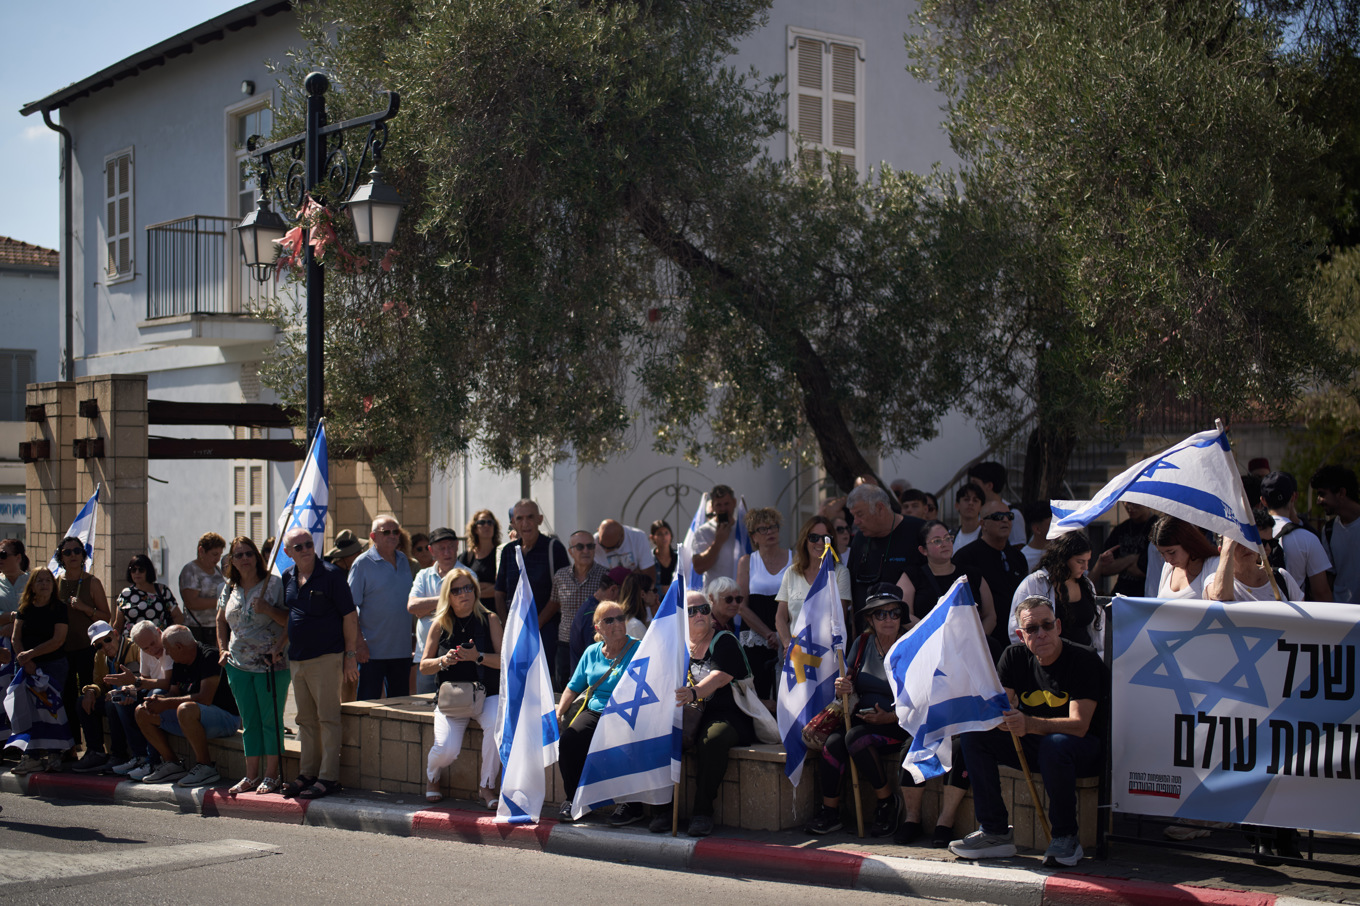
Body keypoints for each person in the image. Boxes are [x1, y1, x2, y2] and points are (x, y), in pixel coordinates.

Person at [949, 596, 1107, 868]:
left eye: (1047, 625)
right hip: (1038, 743)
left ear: (1058, 626)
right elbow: (999, 708)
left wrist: (1029, 724)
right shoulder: (1013, 657)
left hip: (1082, 748)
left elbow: (1080, 725)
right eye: (1032, 629)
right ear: (1021, 635)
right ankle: (995, 832)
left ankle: (1066, 836)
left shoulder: (1084, 659)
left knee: (1055, 744)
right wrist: (998, 720)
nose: (1041, 633)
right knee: (975, 735)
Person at [803, 584, 910, 839]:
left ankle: (887, 802)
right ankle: (831, 812)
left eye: (894, 613)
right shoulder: (862, 642)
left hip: (899, 723)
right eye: (881, 614)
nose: (889, 619)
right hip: (861, 721)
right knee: (834, 742)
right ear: (870, 619)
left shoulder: (909, 645)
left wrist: (890, 717)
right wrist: (843, 686)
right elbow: (848, 678)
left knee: (855, 738)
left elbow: (923, 697)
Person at [280, 525, 359, 800]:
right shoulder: (288, 576)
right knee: (305, 720)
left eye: (309, 544)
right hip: (297, 659)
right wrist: (279, 646)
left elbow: (350, 617)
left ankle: (329, 777)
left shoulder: (332, 576)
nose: (305, 550)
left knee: (327, 718)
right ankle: (308, 773)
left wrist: (350, 656)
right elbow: (291, 615)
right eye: (298, 547)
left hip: (327, 657)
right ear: (288, 552)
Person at [673, 589, 756, 837]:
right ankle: (663, 811)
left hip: (728, 713)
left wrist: (695, 692)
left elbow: (720, 677)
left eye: (704, 609)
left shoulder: (725, 640)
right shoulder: (677, 646)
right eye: (691, 611)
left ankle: (702, 812)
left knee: (712, 740)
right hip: (689, 714)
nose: (699, 614)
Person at [420, 568, 502, 807]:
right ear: (448, 595)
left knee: (497, 727)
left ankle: (487, 786)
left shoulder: (490, 619)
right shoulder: (439, 624)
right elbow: (424, 666)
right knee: (447, 750)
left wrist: (478, 657)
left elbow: (505, 661)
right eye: (457, 590)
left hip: (487, 694)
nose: (464, 594)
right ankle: (432, 776)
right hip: (452, 698)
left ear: (475, 592)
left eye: (468, 588)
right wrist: (443, 661)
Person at [216, 536, 289, 795]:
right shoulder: (229, 587)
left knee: (270, 720)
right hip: (238, 665)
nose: (244, 559)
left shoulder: (274, 585)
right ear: (232, 561)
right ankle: (250, 776)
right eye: (238, 555)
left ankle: (272, 776)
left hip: (270, 664)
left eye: (249, 553)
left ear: (257, 556)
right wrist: (223, 648)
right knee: (249, 721)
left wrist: (268, 609)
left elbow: (289, 620)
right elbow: (220, 620)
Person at [556, 600, 640, 823]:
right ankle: (575, 799)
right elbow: (573, 688)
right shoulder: (592, 652)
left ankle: (631, 805)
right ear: (598, 628)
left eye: (621, 618)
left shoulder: (639, 649)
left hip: (626, 711)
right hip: (596, 711)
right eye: (609, 620)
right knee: (569, 741)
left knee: (623, 743)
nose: (617, 623)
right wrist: (558, 712)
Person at [134, 625, 241, 786]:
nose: (167, 653)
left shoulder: (210, 656)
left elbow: (205, 698)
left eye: (168, 650)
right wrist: (158, 700)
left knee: (186, 709)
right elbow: (173, 693)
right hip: (193, 717)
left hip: (226, 719)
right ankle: (173, 764)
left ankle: (206, 766)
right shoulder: (179, 661)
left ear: (179, 647)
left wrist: (167, 702)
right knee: (142, 711)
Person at [7, 568, 72, 774]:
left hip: (52, 664)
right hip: (25, 666)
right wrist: (24, 659)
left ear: (53, 586)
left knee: (50, 710)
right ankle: (31, 756)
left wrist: (32, 655)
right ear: (32, 586)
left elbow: (58, 640)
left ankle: (54, 754)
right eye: (39, 581)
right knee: (28, 711)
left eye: (48, 580)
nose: (44, 584)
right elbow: (16, 638)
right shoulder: (25, 607)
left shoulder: (59, 608)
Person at [495, 499, 570, 668]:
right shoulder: (508, 551)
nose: (525, 523)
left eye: (530, 517)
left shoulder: (554, 548)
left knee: (545, 681)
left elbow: (560, 593)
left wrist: (535, 625)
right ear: (513, 522)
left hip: (546, 630)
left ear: (540, 519)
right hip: (514, 631)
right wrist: (506, 624)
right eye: (519, 518)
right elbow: (499, 592)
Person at [349, 515, 415, 700]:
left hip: (401, 650)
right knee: (368, 706)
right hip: (371, 653)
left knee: (400, 706)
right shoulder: (361, 564)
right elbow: (349, 608)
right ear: (373, 536)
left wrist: (412, 636)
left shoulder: (403, 560)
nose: (393, 536)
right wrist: (359, 643)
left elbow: (405, 603)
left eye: (396, 531)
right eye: (386, 532)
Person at [55, 535, 110, 753]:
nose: (73, 556)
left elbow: (107, 615)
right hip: (61, 648)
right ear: (61, 557)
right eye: (67, 552)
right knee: (65, 696)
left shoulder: (92, 582)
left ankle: (95, 747)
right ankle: (71, 745)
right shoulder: (55, 582)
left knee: (89, 695)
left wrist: (86, 608)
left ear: (83, 555)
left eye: (77, 551)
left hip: (87, 650)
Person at [952, 501, 1028, 651]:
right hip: (983, 642)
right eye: (998, 517)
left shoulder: (1018, 557)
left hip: (1018, 639)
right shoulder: (965, 557)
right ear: (983, 524)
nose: (1005, 520)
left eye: (1009, 516)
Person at [105, 620, 174, 778]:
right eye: (146, 648)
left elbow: (168, 682)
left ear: (158, 632)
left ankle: (153, 760)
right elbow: (145, 678)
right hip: (154, 691)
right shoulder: (145, 649)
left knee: (153, 696)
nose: (152, 649)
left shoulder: (169, 644)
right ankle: (139, 756)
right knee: (119, 699)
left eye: (153, 643)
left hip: (170, 692)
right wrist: (130, 689)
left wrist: (136, 682)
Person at [1008, 531, 1100, 649]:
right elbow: (1016, 629)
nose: (1086, 567)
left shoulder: (1087, 584)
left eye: (1088, 561)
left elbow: (1097, 630)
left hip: (1085, 659)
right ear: (1063, 559)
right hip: (1049, 660)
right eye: (1080, 561)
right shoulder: (1034, 583)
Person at [904, 520, 997, 636]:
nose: (944, 544)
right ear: (923, 550)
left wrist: (977, 639)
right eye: (937, 541)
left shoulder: (972, 574)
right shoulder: (912, 575)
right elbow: (905, 614)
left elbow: (990, 615)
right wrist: (932, 634)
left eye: (947, 538)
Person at [776, 516, 852, 656]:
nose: (820, 542)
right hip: (795, 656)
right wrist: (788, 644)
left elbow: (840, 618)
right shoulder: (791, 573)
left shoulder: (840, 573)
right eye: (814, 537)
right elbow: (780, 617)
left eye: (825, 538)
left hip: (826, 656)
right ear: (805, 540)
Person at [846, 484, 926, 619]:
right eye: (853, 516)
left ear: (880, 508)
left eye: (860, 514)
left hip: (909, 630)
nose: (856, 522)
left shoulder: (919, 531)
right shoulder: (859, 539)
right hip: (867, 634)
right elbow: (853, 588)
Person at [70, 620, 139, 773]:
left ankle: (119, 755)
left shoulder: (134, 647)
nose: (105, 646)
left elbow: (140, 680)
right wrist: (91, 691)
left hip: (134, 694)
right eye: (99, 645)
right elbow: (99, 683)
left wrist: (119, 690)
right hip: (113, 697)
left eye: (107, 640)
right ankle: (96, 752)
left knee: (112, 702)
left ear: (115, 634)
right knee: (82, 701)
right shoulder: (99, 657)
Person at [735, 507, 789, 700]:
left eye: (773, 527)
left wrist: (781, 635)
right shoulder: (747, 562)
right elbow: (741, 606)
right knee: (760, 695)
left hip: (788, 638)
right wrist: (768, 634)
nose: (770, 532)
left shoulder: (795, 558)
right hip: (756, 640)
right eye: (763, 529)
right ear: (753, 536)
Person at [1261, 470, 1332, 601]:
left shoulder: (1252, 536)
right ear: (1293, 497)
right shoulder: (1308, 539)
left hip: (1260, 613)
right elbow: (1321, 593)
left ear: (1263, 501)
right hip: (1296, 616)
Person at [409, 527, 462, 695]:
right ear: (431, 550)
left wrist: (426, 610)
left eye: (451, 547)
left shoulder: (467, 575)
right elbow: (412, 607)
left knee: (455, 710)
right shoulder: (423, 575)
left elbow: (462, 610)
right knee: (424, 710)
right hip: (426, 659)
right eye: (441, 548)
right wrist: (447, 600)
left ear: (457, 547)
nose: (447, 552)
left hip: (457, 660)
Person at [551, 530, 608, 688]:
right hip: (566, 643)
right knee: (564, 688)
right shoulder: (560, 576)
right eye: (580, 547)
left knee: (592, 688)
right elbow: (553, 605)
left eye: (590, 546)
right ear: (571, 551)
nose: (586, 551)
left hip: (595, 643)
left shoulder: (605, 576)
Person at [1207, 532, 1304, 602]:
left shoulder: (1281, 577)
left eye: (1249, 539)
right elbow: (1221, 595)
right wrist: (1228, 544)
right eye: (1237, 542)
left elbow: (1305, 620)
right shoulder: (1213, 581)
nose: (1246, 546)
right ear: (1222, 550)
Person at [1312, 464, 1360, 603]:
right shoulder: (1329, 530)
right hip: (1341, 616)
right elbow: (1329, 578)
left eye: (1322, 494)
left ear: (1341, 493)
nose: (1318, 501)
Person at [1150, 515, 1221, 600]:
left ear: (1187, 543)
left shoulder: (1213, 565)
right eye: (1162, 553)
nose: (1167, 559)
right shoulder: (1168, 567)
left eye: (1172, 552)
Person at [1094, 501, 1156, 598]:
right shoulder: (1121, 529)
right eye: (1126, 503)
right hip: (1121, 593)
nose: (1130, 508)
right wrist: (1131, 559)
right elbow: (1104, 568)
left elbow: (1142, 570)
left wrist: (1120, 564)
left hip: (1146, 595)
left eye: (1136, 504)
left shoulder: (1156, 528)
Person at [568, 567, 626, 669]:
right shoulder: (594, 615)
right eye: (625, 594)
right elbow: (595, 661)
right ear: (613, 590)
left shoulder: (591, 606)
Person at [111, 554, 184, 634]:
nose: (137, 573)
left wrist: (166, 636)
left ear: (148, 571)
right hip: (131, 643)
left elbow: (178, 617)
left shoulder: (162, 591)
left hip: (156, 642)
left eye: (141, 570)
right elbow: (118, 624)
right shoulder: (125, 594)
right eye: (133, 570)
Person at [178, 532, 226, 641]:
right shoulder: (190, 571)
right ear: (201, 551)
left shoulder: (217, 570)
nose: (218, 558)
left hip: (216, 626)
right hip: (198, 629)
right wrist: (221, 602)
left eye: (220, 554)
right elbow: (191, 602)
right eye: (214, 554)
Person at [966, 462, 1026, 545]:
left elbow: (1018, 547)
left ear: (989, 486)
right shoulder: (975, 511)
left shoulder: (1013, 514)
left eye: (975, 484)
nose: (972, 488)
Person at [690, 485, 740, 581]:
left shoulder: (743, 529)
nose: (723, 509)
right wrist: (718, 542)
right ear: (712, 505)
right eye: (719, 505)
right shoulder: (703, 531)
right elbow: (698, 568)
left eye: (726, 504)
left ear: (734, 503)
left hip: (740, 593)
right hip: (715, 592)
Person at [459, 509, 501, 614]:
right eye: (481, 523)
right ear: (475, 529)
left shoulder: (501, 554)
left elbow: (502, 587)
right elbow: (460, 586)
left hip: (495, 613)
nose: (486, 526)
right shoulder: (467, 557)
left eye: (490, 522)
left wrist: (474, 590)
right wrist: (489, 587)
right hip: (472, 613)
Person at [595, 519, 657, 583]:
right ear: (598, 530)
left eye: (611, 548)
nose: (605, 551)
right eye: (602, 545)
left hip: (634, 586)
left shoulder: (638, 537)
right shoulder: (592, 543)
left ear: (622, 537)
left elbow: (649, 574)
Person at [0, 538, 30, 638]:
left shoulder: (33, 581)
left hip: (29, 642)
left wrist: (16, 626)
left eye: (3, 555)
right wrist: (13, 616)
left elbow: (41, 612)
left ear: (18, 558)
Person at [616, 572, 656, 638]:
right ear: (643, 594)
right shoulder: (636, 626)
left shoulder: (625, 619)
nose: (656, 595)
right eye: (654, 590)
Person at [1017, 501, 1051, 571]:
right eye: (1051, 524)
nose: (1056, 527)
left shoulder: (1061, 549)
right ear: (1037, 529)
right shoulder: (1024, 557)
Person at [951, 482, 985, 548]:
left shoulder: (987, 536)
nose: (970, 503)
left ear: (981, 507)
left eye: (975, 500)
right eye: (966, 499)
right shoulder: (950, 535)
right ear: (957, 505)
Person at [650, 519, 677, 590]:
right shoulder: (649, 558)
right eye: (659, 534)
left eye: (666, 533)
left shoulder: (678, 557)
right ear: (652, 537)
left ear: (671, 535)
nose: (664, 537)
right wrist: (662, 589)